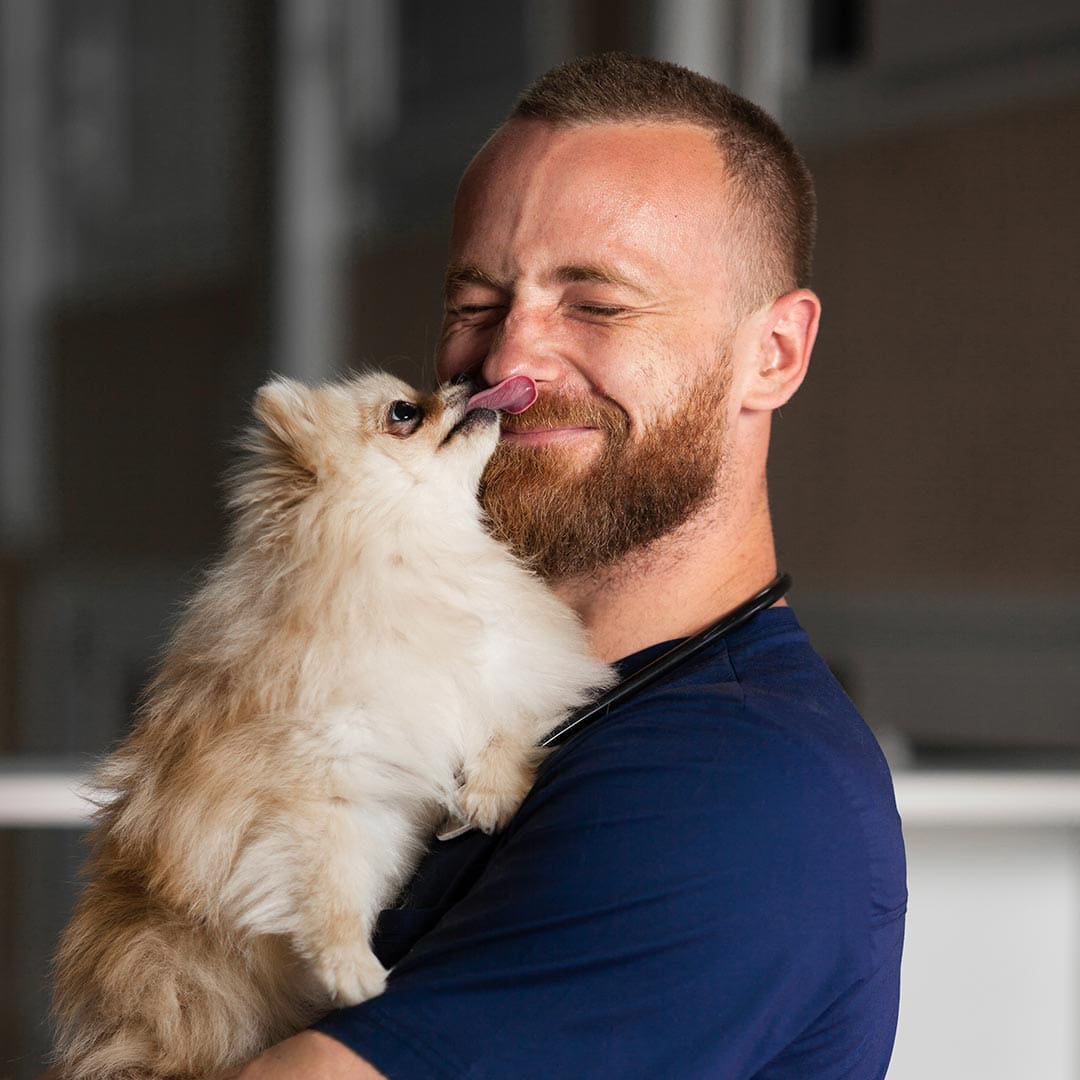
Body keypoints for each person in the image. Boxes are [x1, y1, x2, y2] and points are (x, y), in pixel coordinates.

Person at [224, 53, 907, 1079]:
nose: (506, 364)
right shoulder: (474, 710)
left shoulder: (740, 792)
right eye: (476, 302)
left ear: (773, 354)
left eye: (596, 304)